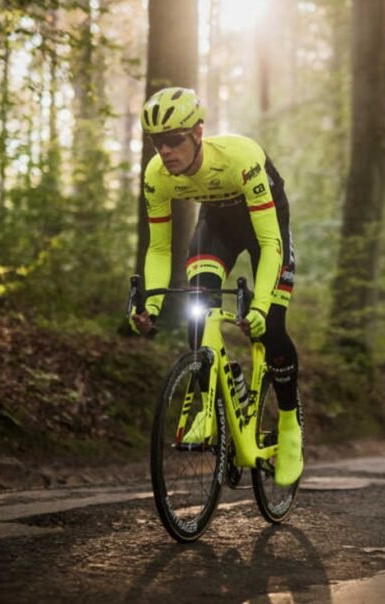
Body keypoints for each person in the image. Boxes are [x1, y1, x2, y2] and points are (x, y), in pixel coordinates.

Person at [130, 87, 302, 487]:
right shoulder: (157, 175)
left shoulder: (239, 159)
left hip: (266, 229)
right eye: (158, 143)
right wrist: (150, 307)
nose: (165, 151)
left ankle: (291, 427)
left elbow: (270, 242)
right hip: (217, 227)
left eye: (174, 141)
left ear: (198, 134)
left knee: (273, 326)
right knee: (198, 306)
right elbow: (158, 247)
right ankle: (210, 400)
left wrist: (259, 308)